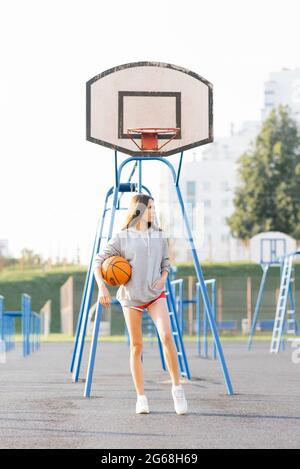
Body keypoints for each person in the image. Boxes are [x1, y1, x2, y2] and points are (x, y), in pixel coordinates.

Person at [93, 193, 188, 415]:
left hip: (155, 294)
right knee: (137, 346)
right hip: (131, 298)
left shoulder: (159, 235)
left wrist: (164, 276)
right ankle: (141, 398)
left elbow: (166, 261)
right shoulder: (122, 237)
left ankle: (177, 389)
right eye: (150, 208)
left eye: (154, 207)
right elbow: (98, 261)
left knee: (166, 336)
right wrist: (102, 286)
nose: (153, 211)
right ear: (139, 210)